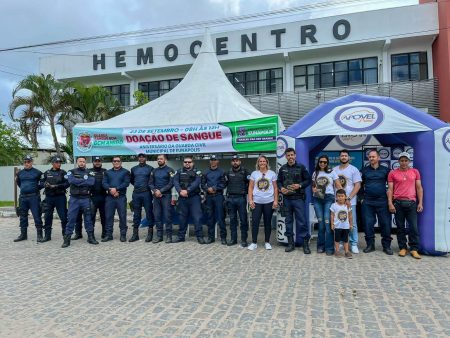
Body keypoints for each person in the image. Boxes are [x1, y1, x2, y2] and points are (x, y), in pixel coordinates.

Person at [387, 152, 423, 259]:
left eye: (406, 160)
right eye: (402, 160)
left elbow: (419, 188)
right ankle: (402, 248)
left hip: (411, 203)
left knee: (414, 228)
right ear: (398, 161)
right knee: (400, 228)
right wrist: (390, 203)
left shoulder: (415, 172)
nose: (404, 162)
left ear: (409, 161)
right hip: (398, 203)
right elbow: (390, 189)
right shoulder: (392, 173)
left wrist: (420, 203)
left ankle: (414, 249)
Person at [278, 148, 311, 254]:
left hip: (298, 199)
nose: (290, 157)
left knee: (302, 222)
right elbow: (279, 181)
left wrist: (300, 185)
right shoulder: (282, 168)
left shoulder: (301, 167)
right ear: (286, 156)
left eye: (292, 155)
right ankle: (290, 244)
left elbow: (308, 180)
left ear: (295, 155)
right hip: (287, 199)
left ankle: (305, 244)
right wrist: (281, 188)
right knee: (288, 221)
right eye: (288, 155)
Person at [361, 149, 393, 255]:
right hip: (368, 202)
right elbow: (359, 185)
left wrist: (390, 200)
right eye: (370, 157)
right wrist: (361, 198)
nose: (371, 158)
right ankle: (370, 245)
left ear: (378, 158)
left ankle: (386, 246)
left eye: (373, 157)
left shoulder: (386, 170)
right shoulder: (364, 170)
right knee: (368, 224)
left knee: (385, 224)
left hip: (382, 201)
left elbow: (391, 186)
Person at [62, 156, 97, 248]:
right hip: (74, 199)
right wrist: (84, 181)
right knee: (71, 219)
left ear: (86, 163)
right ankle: (67, 239)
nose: (82, 163)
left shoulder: (90, 172)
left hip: (85, 199)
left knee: (88, 219)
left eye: (83, 161)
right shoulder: (71, 172)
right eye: (80, 161)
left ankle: (91, 237)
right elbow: (71, 180)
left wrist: (77, 182)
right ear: (77, 162)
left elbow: (91, 182)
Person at [311, 154, 342, 255]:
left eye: (325, 162)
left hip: (329, 198)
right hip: (317, 199)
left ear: (327, 163)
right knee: (321, 224)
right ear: (318, 163)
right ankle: (320, 246)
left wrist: (343, 198)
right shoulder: (315, 173)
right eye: (321, 162)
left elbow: (338, 185)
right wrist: (314, 189)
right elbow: (313, 187)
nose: (323, 164)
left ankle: (329, 248)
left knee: (328, 223)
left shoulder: (332, 172)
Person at [332, 150, 361, 254]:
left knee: (352, 223)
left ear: (349, 157)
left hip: (350, 201)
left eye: (345, 155)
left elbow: (357, 185)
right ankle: (340, 242)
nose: (344, 157)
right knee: (339, 222)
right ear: (339, 157)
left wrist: (348, 198)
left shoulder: (354, 169)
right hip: (337, 202)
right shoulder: (334, 170)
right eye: (342, 156)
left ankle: (353, 244)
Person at [247, 155, 278, 251]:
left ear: (267, 163)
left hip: (269, 201)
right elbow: (250, 188)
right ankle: (254, 242)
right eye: (260, 161)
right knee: (255, 222)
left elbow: (276, 188)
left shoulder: (272, 173)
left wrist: (276, 200)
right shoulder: (254, 174)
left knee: (267, 222)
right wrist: (250, 200)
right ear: (258, 163)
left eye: (264, 161)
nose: (262, 163)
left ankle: (267, 242)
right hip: (256, 202)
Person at [173, 155, 205, 244]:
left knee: (197, 218)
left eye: (189, 162)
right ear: (183, 163)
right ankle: (181, 237)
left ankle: (200, 237)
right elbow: (175, 182)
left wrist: (187, 190)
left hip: (194, 198)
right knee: (182, 218)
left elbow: (197, 182)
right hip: (182, 198)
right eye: (185, 162)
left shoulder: (197, 172)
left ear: (192, 163)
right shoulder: (178, 171)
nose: (187, 163)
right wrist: (180, 191)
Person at [14, 155, 44, 242]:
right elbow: (19, 183)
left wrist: (35, 188)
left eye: (28, 162)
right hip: (23, 198)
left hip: (34, 197)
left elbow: (42, 183)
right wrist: (25, 189)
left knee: (37, 216)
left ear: (31, 162)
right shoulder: (20, 173)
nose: (26, 163)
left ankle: (39, 235)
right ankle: (23, 235)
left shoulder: (37, 172)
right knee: (22, 216)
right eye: (25, 162)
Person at [102, 156, 131, 242]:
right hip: (110, 198)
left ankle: (123, 235)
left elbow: (126, 183)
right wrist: (110, 190)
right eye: (114, 161)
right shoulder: (107, 172)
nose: (116, 162)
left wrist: (116, 189)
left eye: (118, 161)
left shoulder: (126, 172)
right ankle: (109, 235)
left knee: (122, 216)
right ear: (112, 162)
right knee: (109, 216)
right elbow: (104, 183)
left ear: (121, 162)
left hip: (121, 197)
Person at [41, 156, 69, 242]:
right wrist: (44, 184)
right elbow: (41, 182)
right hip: (49, 198)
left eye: (60, 162)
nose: (59, 164)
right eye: (57, 162)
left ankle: (65, 235)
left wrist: (57, 186)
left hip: (60, 197)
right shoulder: (47, 172)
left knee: (63, 217)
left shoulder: (63, 172)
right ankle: (47, 236)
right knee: (47, 217)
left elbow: (67, 183)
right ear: (53, 163)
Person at [224, 154, 250, 247]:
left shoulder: (245, 172)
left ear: (240, 161)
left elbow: (250, 184)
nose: (235, 162)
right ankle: (233, 239)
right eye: (233, 160)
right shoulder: (227, 172)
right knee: (232, 220)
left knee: (243, 220)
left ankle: (244, 240)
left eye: (237, 160)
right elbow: (224, 184)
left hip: (241, 198)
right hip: (230, 198)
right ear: (231, 162)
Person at [201, 155, 227, 245]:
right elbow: (202, 184)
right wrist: (207, 189)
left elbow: (224, 184)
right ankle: (210, 237)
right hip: (209, 197)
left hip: (218, 196)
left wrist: (214, 188)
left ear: (217, 161)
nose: (213, 161)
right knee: (210, 217)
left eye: (215, 160)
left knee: (221, 217)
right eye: (211, 160)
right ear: (210, 161)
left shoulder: (222, 172)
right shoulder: (205, 172)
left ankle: (223, 238)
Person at [149, 154, 175, 243]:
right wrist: (155, 190)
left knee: (167, 216)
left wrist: (161, 191)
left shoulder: (170, 170)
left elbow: (171, 183)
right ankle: (159, 236)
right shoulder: (154, 171)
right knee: (157, 216)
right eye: (158, 159)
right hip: (156, 196)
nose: (159, 160)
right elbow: (150, 183)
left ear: (165, 160)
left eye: (161, 159)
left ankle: (169, 236)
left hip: (166, 196)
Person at [129, 153, 154, 243]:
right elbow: (132, 180)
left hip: (146, 193)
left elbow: (152, 181)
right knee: (136, 214)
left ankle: (150, 234)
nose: (141, 158)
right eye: (140, 157)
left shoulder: (150, 168)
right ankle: (135, 234)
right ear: (138, 158)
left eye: (143, 157)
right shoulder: (134, 169)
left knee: (149, 213)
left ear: (146, 158)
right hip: (136, 193)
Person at [330, 189, 353, 258]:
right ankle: (337, 251)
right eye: (338, 196)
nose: (340, 198)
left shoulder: (347, 206)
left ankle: (346, 252)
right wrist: (332, 224)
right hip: (337, 226)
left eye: (342, 196)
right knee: (337, 240)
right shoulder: (334, 205)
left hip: (345, 226)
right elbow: (332, 215)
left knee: (346, 240)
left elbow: (350, 215)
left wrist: (351, 224)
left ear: (345, 197)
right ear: (336, 197)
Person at [89, 156, 107, 239]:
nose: (97, 162)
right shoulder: (89, 171)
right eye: (95, 161)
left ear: (101, 162)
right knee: (91, 217)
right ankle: (91, 235)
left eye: (98, 161)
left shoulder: (105, 171)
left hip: (103, 197)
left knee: (104, 216)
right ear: (93, 162)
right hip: (92, 197)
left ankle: (105, 233)